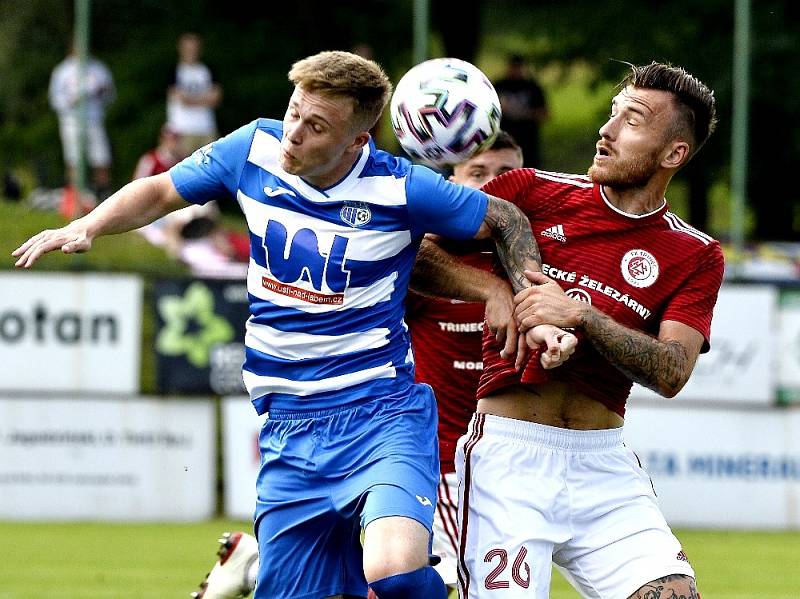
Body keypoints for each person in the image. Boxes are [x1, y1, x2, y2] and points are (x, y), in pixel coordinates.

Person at [14, 50, 549, 599]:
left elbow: (504, 217)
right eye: (293, 112)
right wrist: (90, 225)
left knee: (398, 572)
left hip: (379, 416)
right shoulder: (252, 148)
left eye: (316, 126)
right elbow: (161, 190)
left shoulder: (402, 188)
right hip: (287, 430)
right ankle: (252, 566)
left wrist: (525, 297)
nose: (293, 133)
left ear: (356, 142)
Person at [189, 131, 534, 599]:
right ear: (451, 180)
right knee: (407, 580)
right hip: (430, 463)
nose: (493, 184)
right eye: (478, 173)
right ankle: (258, 565)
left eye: (506, 174)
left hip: (506, 467)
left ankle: (253, 566)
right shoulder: (413, 255)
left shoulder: (532, 270)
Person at [448, 62, 723, 598]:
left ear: (673, 154)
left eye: (633, 120)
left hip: (604, 465)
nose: (608, 129)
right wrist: (498, 293)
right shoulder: (530, 190)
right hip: (509, 461)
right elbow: (419, 257)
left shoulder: (697, 253)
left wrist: (583, 316)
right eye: (612, 114)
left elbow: (671, 370)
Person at [48, 43, 116, 197]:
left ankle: (103, 194)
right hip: (71, 121)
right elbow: (55, 100)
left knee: (101, 157)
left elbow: (111, 95)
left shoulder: (99, 68)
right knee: (73, 159)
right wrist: (72, 100)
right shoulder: (63, 70)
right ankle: (76, 196)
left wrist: (101, 93)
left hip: (94, 120)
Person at [167, 32, 223, 157]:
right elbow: (180, 99)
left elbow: (216, 98)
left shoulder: (208, 70)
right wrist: (205, 99)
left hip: (207, 128)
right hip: (182, 129)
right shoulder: (175, 71)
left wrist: (191, 99)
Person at [493, 54, 548, 168]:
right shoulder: (499, 86)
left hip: (528, 141)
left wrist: (524, 113)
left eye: (518, 68)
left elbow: (544, 114)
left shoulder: (533, 88)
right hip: (504, 139)